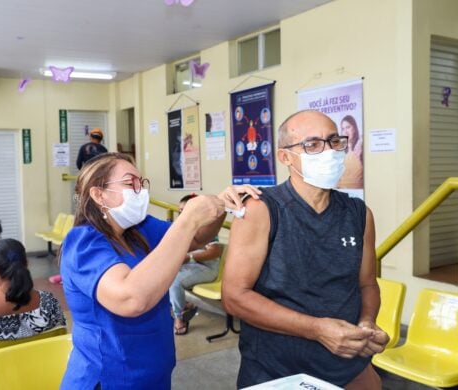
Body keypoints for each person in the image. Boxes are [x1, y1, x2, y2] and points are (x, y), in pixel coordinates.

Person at [60, 152, 260, 389]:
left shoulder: (139, 230)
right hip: (111, 377)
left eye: (141, 183)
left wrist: (220, 207)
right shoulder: (84, 243)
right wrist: (188, 218)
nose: (140, 191)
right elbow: (131, 299)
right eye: (129, 183)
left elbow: (195, 237)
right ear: (98, 194)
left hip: (153, 374)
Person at [222, 110, 388, 389]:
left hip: (345, 365)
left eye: (334, 141)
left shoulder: (360, 214)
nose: (328, 151)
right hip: (276, 368)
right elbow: (235, 297)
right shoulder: (261, 209)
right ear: (285, 157)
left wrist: (367, 323)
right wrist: (318, 330)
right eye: (312, 145)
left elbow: (367, 285)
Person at [169, 194, 223, 335]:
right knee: (162, 274)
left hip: (207, 268)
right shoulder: (180, 227)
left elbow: (215, 252)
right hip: (190, 266)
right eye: (179, 210)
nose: (181, 214)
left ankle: (179, 318)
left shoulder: (206, 226)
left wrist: (189, 257)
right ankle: (183, 305)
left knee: (174, 282)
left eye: (185, 210)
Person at [337, 115, 363, 189]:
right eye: (343, 128)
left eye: (348, 127)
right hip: (341, 194)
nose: (345, 132)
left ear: (354, 128)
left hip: (358, 193)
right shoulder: (339, 149)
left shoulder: (360, 146)